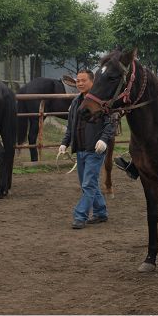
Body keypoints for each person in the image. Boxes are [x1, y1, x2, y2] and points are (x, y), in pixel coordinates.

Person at [58, 69, 116, 229]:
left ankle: (80, 216)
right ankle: (101, 212)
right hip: (80, 150)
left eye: (83, 80)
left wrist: (104, 140)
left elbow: (111, 123)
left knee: (88, 184)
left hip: (95, 150)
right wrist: (65, 143)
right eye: (78, 81)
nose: (80, 83)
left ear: (92, 82)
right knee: (90, 184)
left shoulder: (102, 102)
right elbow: (71, 126)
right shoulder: (76, 102)